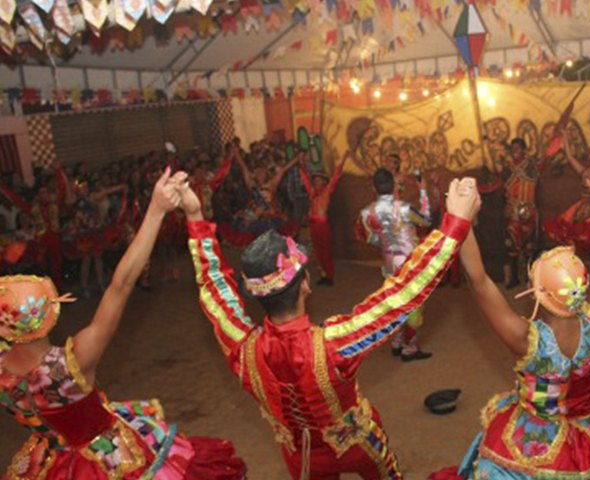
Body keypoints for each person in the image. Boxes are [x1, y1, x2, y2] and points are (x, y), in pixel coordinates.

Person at [181, 176, 479, 479]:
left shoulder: (243, 348)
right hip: (360, 446)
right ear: (306, 285)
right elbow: (401, 295)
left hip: (302, 458)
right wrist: (454, 223)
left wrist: (195, 219)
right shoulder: (333, 344)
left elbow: (213, 287)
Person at [0, 168, 246, 480]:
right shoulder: (70, 364)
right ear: (49, 318)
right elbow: (121, 285)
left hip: (48, 464)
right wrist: (156, 210)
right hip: (104, 461)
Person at [441, 176, 590, 479]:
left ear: (539, 295)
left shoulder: (526, 340)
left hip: (536, 438)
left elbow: (479, 281)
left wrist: (460, 219)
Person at [357, 168, 433, 361]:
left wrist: (386, 243)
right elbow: (426, 220)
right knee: (415, 306)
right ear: (393, 185)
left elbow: (369, 238)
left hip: (390, 265)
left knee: (396, 303)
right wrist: (423, 191)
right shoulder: (405, 209)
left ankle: (397, 342)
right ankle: (410, 348)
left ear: (373, 187)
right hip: (411, 265)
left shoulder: (366, 213)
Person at [299, 152, 349, 286]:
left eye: (319, 180)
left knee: (325, 250)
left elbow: (336, 177)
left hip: (322, 225)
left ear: (324, 182)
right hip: (313, 225)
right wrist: (301, 164)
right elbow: (304, 179)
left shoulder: (326, 192)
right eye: (315, 180)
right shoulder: (312, 193)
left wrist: (343, 159)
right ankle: (323, 274)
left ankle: (330, 276)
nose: (316, 181)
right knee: (317, 251)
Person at [501, 138, 545, 288]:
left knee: (529, 245)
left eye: (518, 149)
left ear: (524, 150)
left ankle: (529, 278)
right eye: (512, 149)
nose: (515, 152)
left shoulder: (531, 165)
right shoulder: (506, 168)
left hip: (528, 210)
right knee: (511, 244)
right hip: (511, 211)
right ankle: (513, 278)